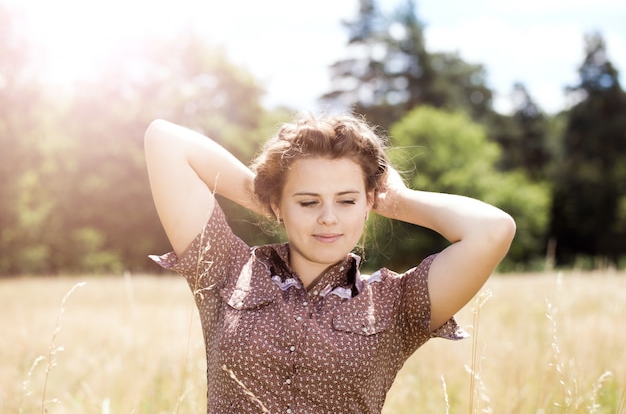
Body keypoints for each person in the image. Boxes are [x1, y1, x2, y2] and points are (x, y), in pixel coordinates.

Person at [144, 113, 516, 414]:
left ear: (368, 202)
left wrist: (397, 200)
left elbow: (493, 230)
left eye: (346, 201)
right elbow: (165, 140)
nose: (328, 218)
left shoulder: (396, 303)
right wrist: (270, 198)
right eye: (308, 202)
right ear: (280, 205)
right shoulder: (226, 271)